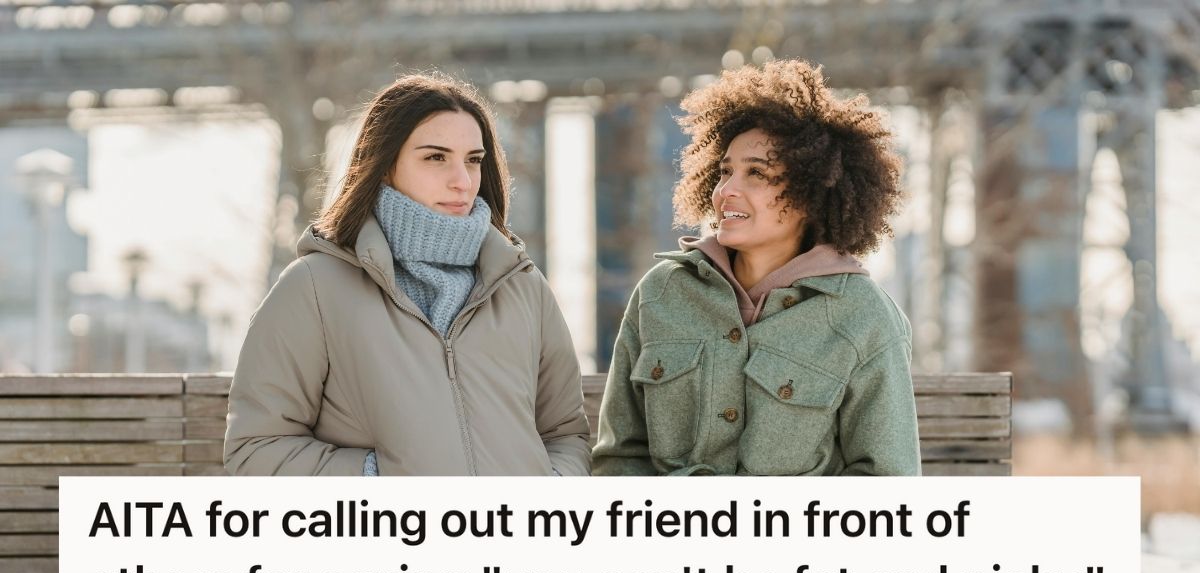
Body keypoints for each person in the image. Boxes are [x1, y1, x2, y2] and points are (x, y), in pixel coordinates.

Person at [224, 73, 590, 476]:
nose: (462, 181)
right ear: (383, 165)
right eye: (436, 157)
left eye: (473, 160)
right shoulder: (313, 288)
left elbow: (564, 434)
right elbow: (256, 451)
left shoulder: (523, 286)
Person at [593, 59, 919, 476]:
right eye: (725, 171)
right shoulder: (662, 293)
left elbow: (886, 485)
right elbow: (620, 458)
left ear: (810, 193)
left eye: (757, 174)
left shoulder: (862, 316)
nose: (727, 190)